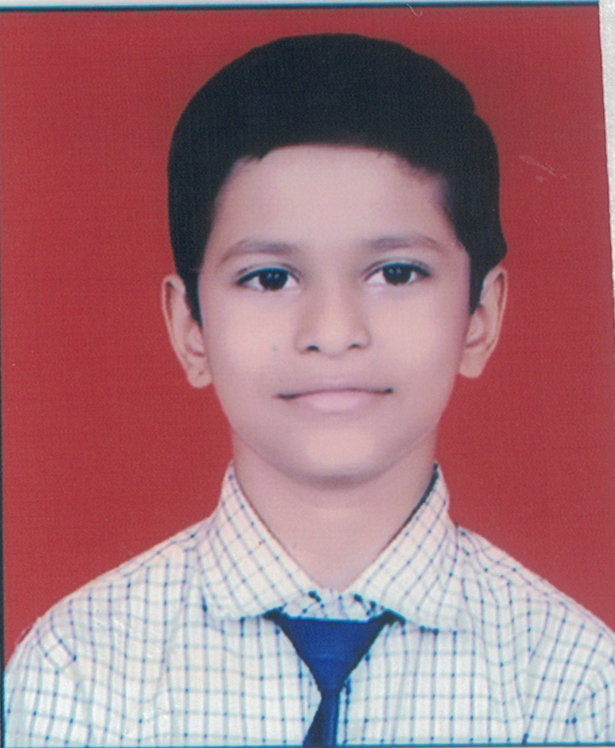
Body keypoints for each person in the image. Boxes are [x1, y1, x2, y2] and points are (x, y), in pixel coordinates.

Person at [5, 33, 614, 746]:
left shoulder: (574, 685)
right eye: (270, 278)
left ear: (480, 316)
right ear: (190, 326)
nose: (332, 332)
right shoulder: (78, 673)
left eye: (396, 273)